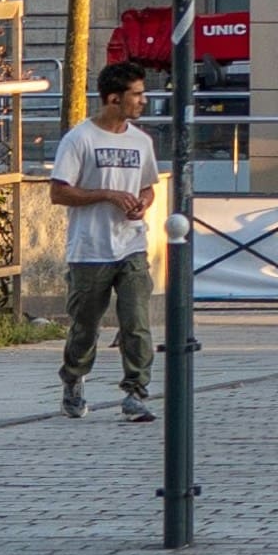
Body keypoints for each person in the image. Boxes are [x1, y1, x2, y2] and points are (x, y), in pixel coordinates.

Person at [42, 56, 162, 421]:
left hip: (131, 245)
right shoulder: (79, 139)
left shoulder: (141, 142)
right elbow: (59, 193)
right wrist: (108, 194)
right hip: (90, 249)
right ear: (114, 99)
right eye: (137, 95)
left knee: (136, 322)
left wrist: (142, 203)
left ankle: (135, 392)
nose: (144, 101)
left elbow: (148, 187)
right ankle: (74, 379)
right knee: (86, 325)